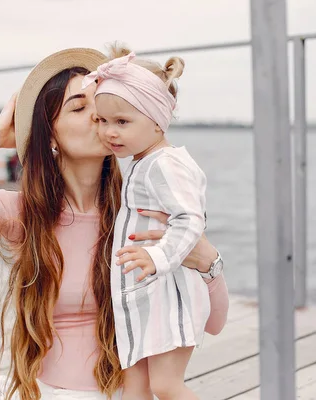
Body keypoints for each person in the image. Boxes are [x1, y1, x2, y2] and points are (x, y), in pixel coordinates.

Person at [0, 47, 229, 400]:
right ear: (49, 135)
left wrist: (208, 263)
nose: (98, 117)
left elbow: (213, 324)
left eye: (104, 107)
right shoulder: (26, 213)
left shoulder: (143, 213)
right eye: (79, 107)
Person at [82, 47, 212, 400]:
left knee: (166, 386)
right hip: (144, 296)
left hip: (168, 294)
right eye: (102, 121)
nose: (110, 132)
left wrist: (157, 257)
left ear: (157, 120)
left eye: (122, 122)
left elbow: (190, 219)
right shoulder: (143, 161)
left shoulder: (164, 164)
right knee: (134, 386)